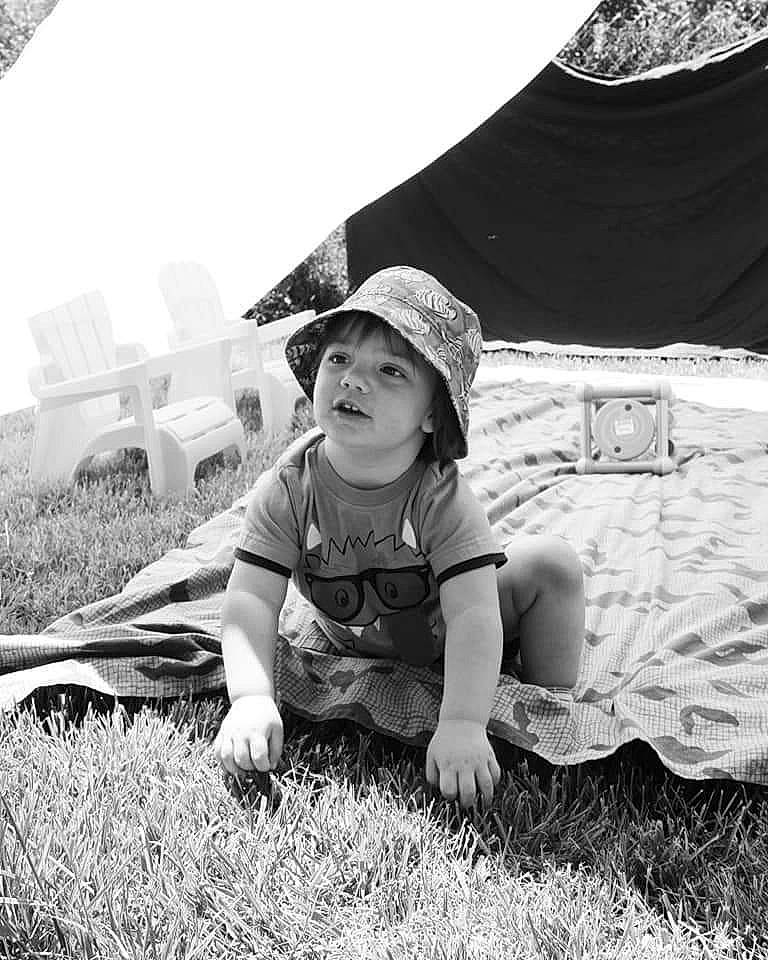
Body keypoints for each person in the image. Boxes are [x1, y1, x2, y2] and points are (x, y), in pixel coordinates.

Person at [214, 266, 584, 807]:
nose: (352, 379)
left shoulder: (441, 499)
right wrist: (250, 697)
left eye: (389, 370)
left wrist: (462, 723)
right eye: (338, 359)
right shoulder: (289, 487)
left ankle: (552, 710)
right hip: (354, 634)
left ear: (432, 414)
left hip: (449, 628)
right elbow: (250, 598)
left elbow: (474, 614)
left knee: (553, 564)